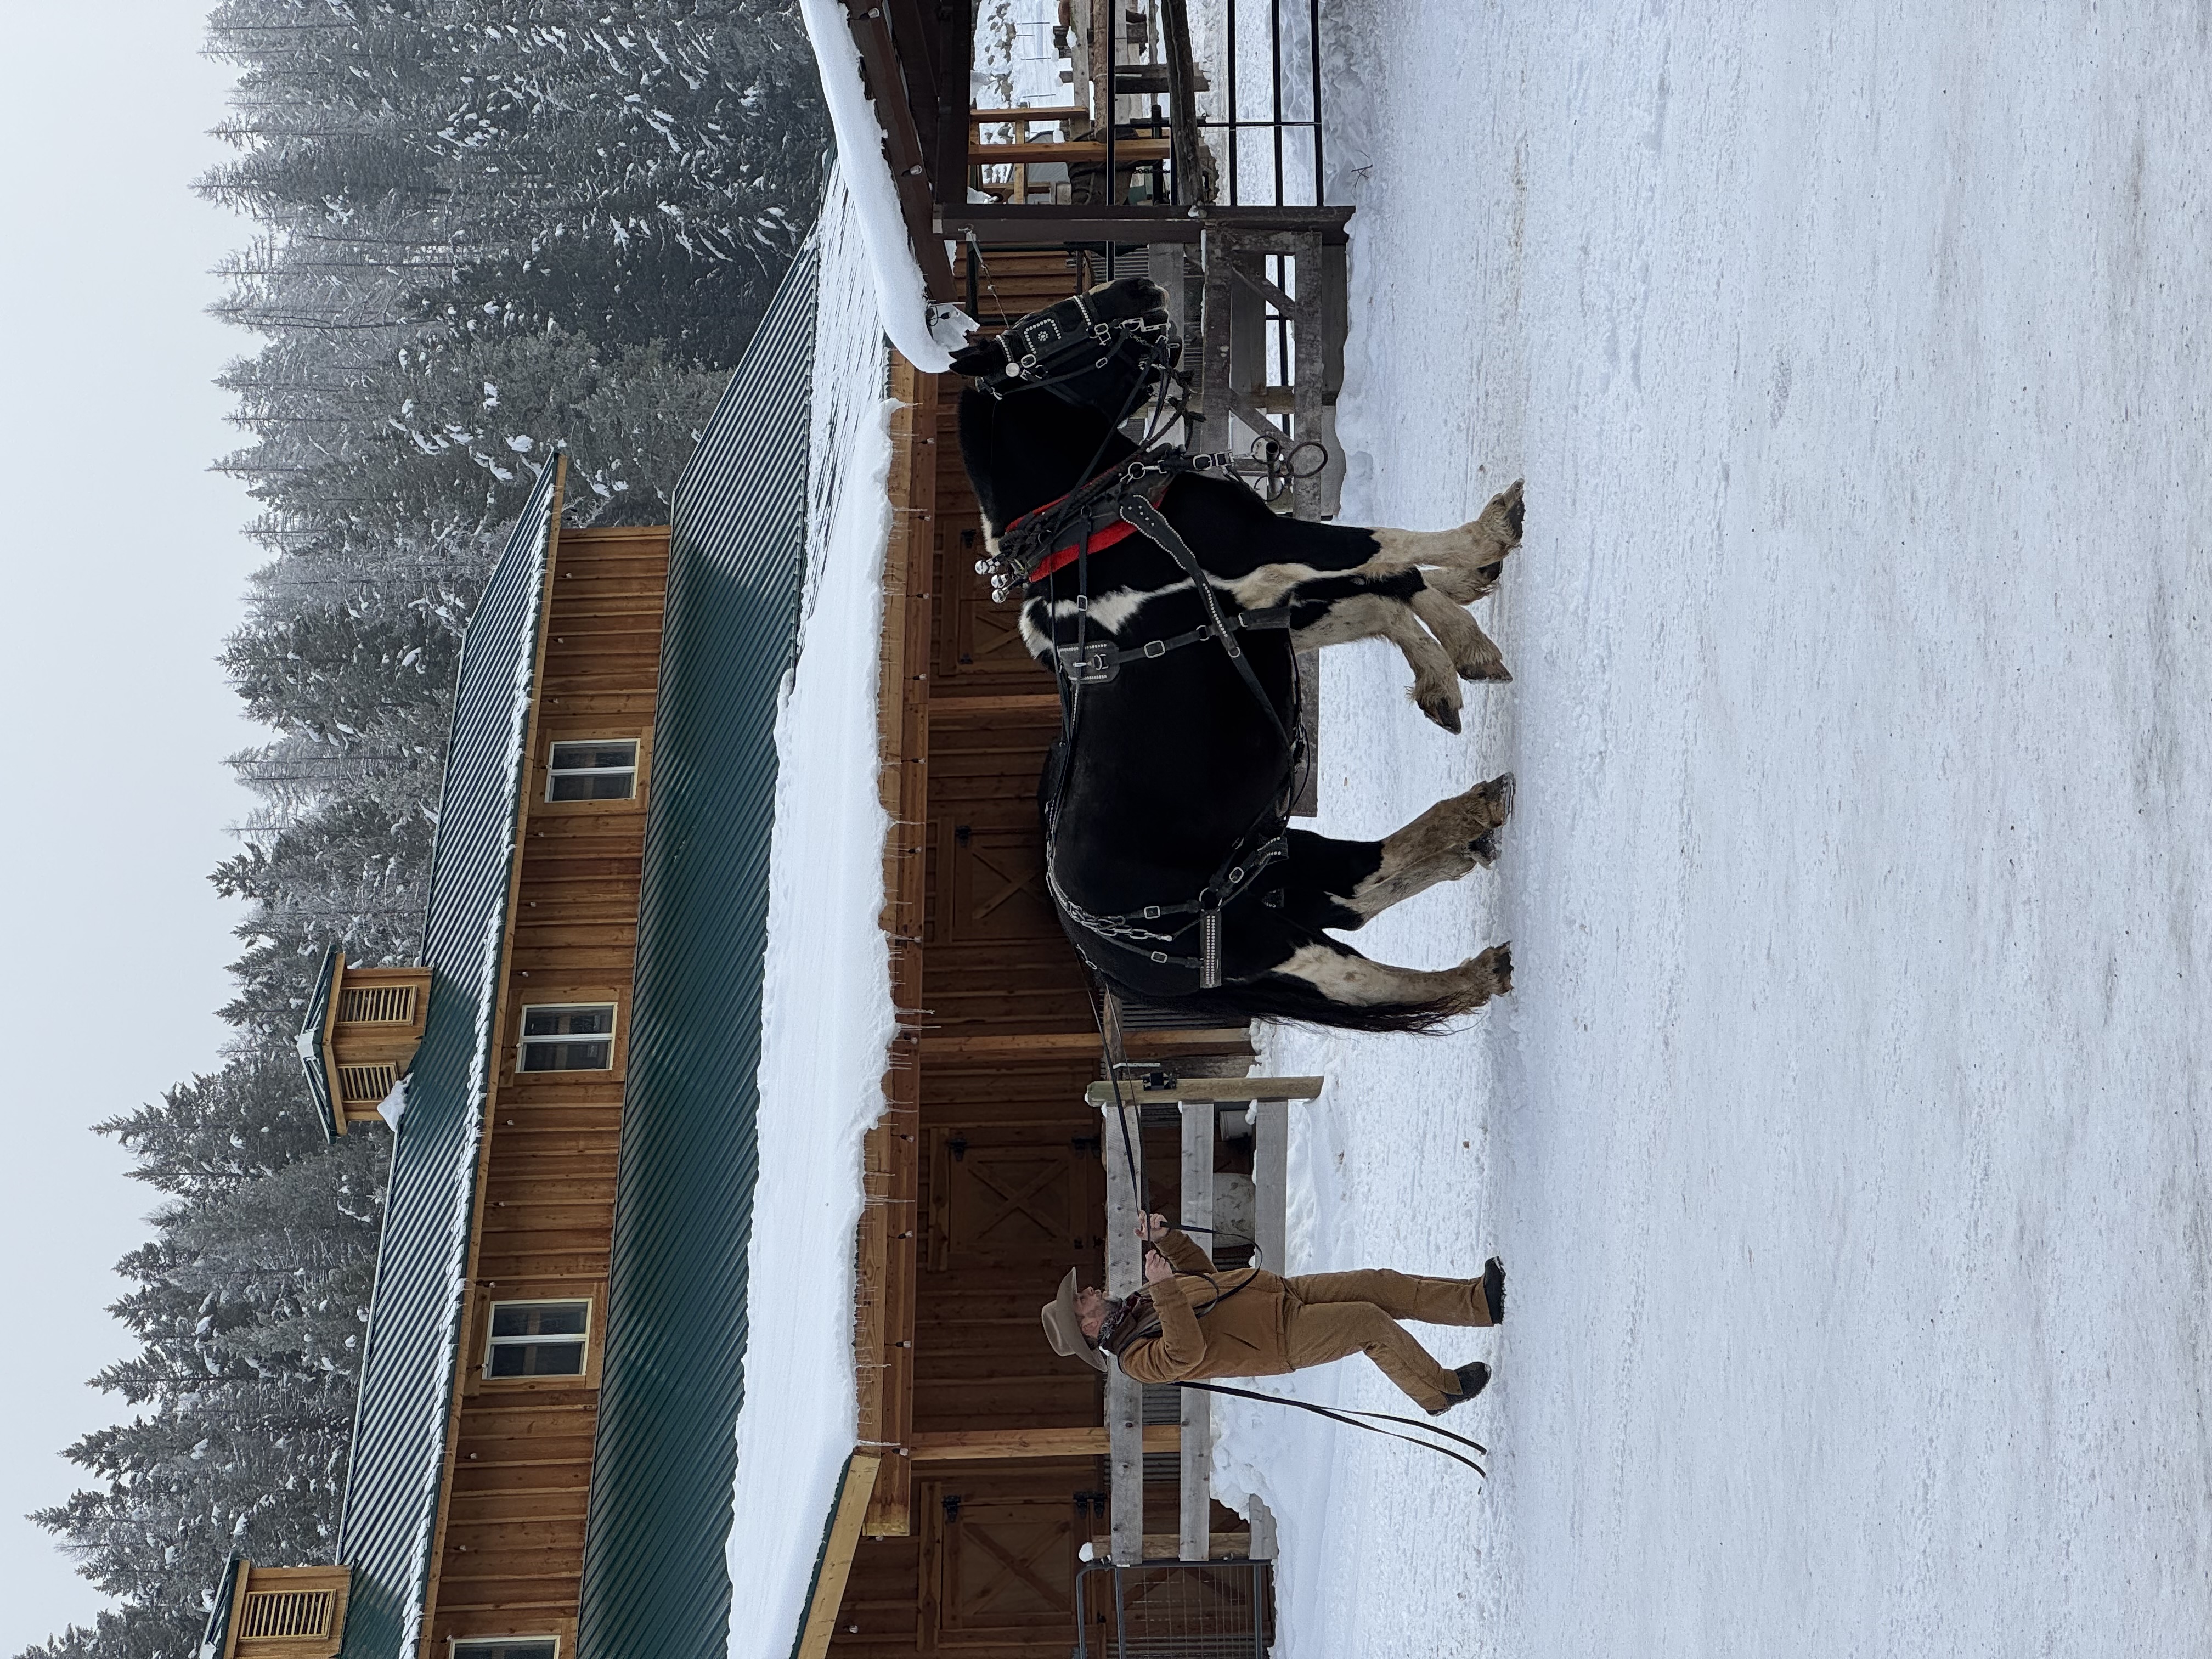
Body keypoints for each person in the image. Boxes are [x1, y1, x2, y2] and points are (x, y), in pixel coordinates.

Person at [1040, 1211, 1503, 1415]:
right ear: (1086, 1326)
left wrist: (1168, 1239)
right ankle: (1438, 1393)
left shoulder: (1139, 1301)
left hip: (1279, 1293)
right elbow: (1186, 1351)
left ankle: (1478, 1302)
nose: (1090, 1290)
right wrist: (1164, 1291)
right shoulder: (1133, 1361)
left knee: (1379, 1284)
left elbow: (1203, 1279)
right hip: (1280, 1340)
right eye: (1081, 1298)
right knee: (1368, 1323)